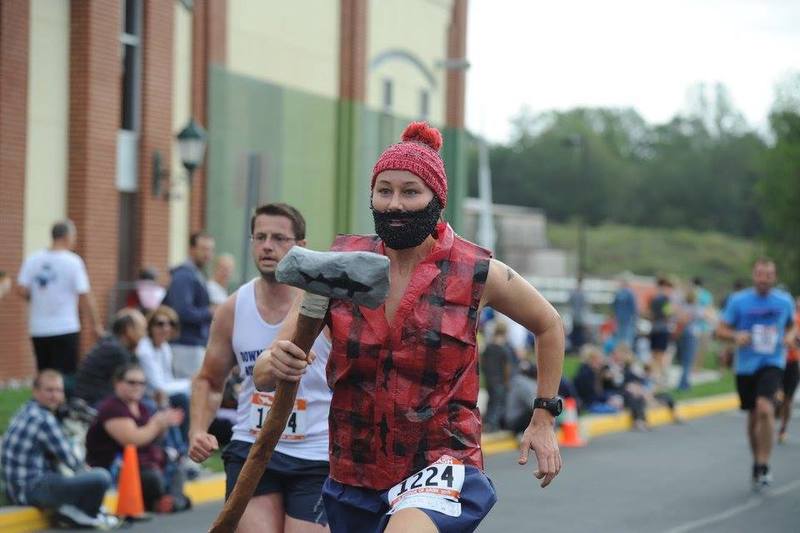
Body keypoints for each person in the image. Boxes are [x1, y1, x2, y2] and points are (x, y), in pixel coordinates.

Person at [254, 122, 564, 533]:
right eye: (384, 191)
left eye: (410, 192)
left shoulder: (477, 271)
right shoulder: (335, 268)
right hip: (354, 471)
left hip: (441, 462)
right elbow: (263, 373)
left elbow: (549, 324)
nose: (395, 205)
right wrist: (278, 362)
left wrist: (543, 416)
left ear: (437, 199)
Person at [188, 203, 332, 533]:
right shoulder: (232, 308)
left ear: (302, 247)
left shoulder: (324, 305)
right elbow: (209, 380)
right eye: (261, 237)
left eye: (280, 238)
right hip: (252, 448)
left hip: (315, 454)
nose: (268, 246)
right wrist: (198, 430)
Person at [716, 259, 796, 490]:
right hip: (745, 366)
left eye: (769, 275)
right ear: (754, 275)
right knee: (753, 418)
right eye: (760, 274)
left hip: (772, 361)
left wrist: (790, 336)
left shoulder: (784, 301)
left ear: (775, 276)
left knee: (765, 408)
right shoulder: (739, 300)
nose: (764, 279)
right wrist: (735, 336)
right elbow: (720, 330)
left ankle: (764, 463)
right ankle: (756, 460)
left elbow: (790, 326)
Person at [1, 370, 116, 529]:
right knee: (101, 477)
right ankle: (84, 514)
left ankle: (75, 510)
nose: (55, 395)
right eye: (49, 390)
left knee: (82, 477)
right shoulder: (44, 419)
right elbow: (72, 461)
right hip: (32, 489)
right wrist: (89, 476)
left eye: (58, 390)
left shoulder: (26, 410)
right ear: (36, 391)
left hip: (17, 491)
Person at [85, 364, 188, 512]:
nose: (137, 387)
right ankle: (171, 501)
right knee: (153, 478)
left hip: (146, 462)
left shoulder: (142, 407)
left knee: (178, 465)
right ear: (117, 383)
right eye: (131, 382)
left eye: (141, 383)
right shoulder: (112, 408)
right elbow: (132, 440)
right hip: (118, 468)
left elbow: (153, 439)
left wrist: (164, 424)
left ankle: (171, 501)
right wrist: (157, 423)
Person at [16, 220, 104, 389]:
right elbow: (84, 295)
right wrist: (96, 324)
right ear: (67, 236)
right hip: (65, 326)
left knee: (44, 372)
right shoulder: (73, 261)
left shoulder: (33, 259)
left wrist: (38, 298)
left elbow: (21, 289)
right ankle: (62, 409)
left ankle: (43, 406)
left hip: (39, 327)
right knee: (66, 376)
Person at [136, 305, 191, 449]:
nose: (166, 328)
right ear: (150, 326)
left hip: (160, 395)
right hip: (144, 396)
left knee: (189, 398)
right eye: (160, 324)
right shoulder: (144, 349)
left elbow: (168, 381)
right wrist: (191, 384)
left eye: (170, 324)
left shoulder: (165, 348)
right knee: (182, 400)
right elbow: (158, 385)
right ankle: (178, 450)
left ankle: (184, 449)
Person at [164, 231, 215, 379]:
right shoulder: (184, 276)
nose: (207, 254)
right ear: (192, 249)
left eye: (210, 249)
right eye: (203, 249)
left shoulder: (197, 274)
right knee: (189, 392)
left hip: (193, 345)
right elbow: (181, 311)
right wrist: (210, 312)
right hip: (185, 345)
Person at [74, 308, 147, 406]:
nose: (144, 335)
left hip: (96, 397)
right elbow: (132, 383)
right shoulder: (116, 350)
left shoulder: (112, 343)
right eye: (142, 329)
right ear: (129, 329)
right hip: (93, 402)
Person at [480, 320, 512, 432]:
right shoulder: (504, 348)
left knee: (491, 401)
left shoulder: (489, 346)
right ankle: (492, 425)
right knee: (497, 403)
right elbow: (506, 367)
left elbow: (482, 361)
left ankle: (487, 422)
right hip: (499, 380)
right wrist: (507, 381)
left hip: (489, 378)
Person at [777, 297, 800, 444]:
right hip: (776, 362)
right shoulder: (781, 315)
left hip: (793, 362)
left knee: (788, 398)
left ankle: (783, 429)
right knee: (774, 395)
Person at [648, 277, 674, 389]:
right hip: (662, 329)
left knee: (655, 355)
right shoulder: (665, 300)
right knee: (659, 356)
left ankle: (658, 377)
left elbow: (650, 314)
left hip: (654, 329)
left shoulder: (654, 299)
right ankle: (661, 378)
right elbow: (669, 314)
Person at [612, 275, 638, 348]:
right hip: (628, 318)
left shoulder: (618, 293)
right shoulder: (630, 293)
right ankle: (625, 352)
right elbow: (634, 308)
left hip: (620, 318)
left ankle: (620, 351)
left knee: (619, 337)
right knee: (627, 337)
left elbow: (614, 306)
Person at [569, 276, 589, 351]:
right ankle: (576, 347)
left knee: (577, 331)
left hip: (576, 315)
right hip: (578, 315)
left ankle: (575, 347)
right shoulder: (582, 292)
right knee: (577, 332)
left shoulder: (575, 291)